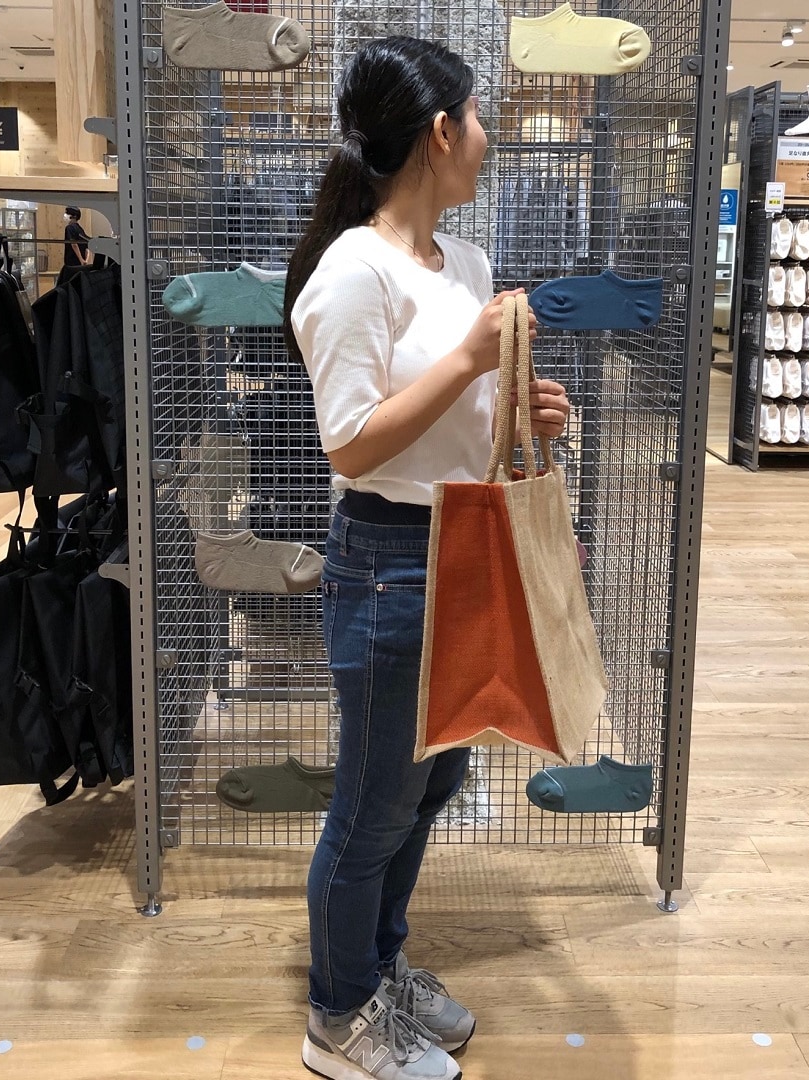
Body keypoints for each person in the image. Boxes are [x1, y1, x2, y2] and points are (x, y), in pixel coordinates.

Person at [284, 36, 570, 1080]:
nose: (490, 139)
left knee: (437, 777)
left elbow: (462, 419)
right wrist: (466, 359)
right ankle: (337, 1019)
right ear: (441, 133)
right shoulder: (351, 273)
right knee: (373, 804)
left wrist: (528, 411)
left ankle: (376, 969)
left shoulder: (468, 265)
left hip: (464, 544)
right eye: (479, 118)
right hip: (390, 557)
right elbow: (351, 445)